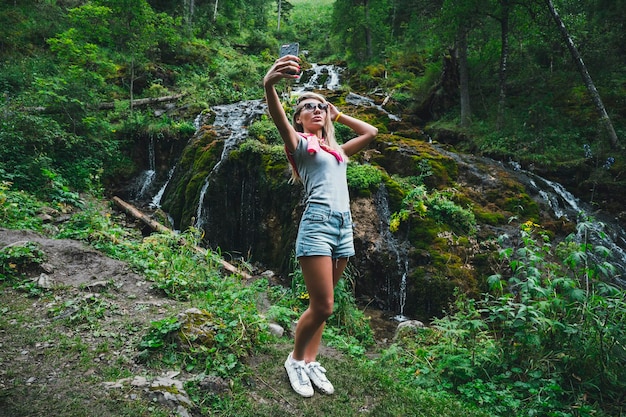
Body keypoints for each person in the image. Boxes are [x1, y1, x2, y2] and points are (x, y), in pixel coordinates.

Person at [263, 54, 378, 397]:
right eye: (308, 107)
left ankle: (311, 360)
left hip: (344, 226)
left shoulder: (338, 150)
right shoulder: (301, 147)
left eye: (320, 106)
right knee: (324, 305)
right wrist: (269, 84)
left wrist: (336, 112)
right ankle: (295, 360)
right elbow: (277, 118)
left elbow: (371, 131)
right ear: (298, 119)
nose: (316, 109)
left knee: (324, 304)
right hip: (317, 224)